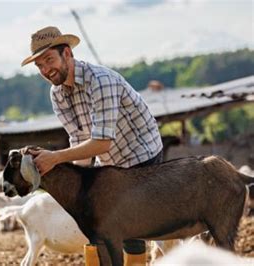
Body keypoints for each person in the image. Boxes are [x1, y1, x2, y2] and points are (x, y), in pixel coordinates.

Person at [20, 26, 164, 266]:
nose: (46, 70)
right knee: (93, 225)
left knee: (130, 227)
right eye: (40, 66)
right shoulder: (57, 94)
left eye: (49, 60)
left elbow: (102, 141)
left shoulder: (101, 81)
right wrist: (78, 188)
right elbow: (79, 139)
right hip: (108, 159)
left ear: (67, 53)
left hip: (141, 154)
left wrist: (55, 158)